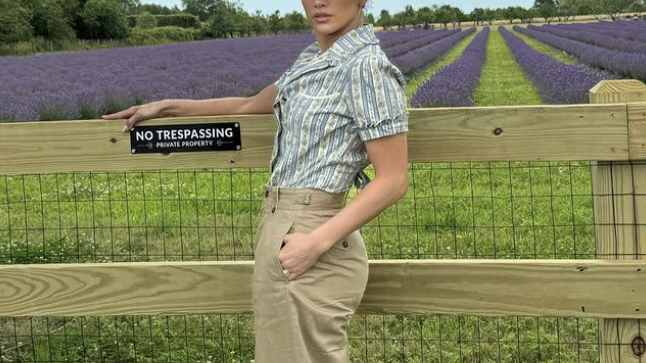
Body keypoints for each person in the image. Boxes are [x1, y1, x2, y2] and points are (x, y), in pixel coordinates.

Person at [102, 0, 409, 361]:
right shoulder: (314, 60)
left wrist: (313, 244)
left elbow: (393, 178)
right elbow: (251, 105)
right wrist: (168, 107)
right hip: (286, 226)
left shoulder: (366, 68)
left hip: (314, 235)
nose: (319, 2)